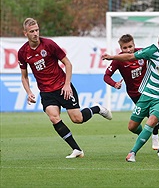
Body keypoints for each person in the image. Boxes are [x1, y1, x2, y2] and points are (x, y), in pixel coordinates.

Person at [18, 18, 112, 159]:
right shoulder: (22, 52)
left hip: (63, 86)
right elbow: (24, 76)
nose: (35, 33)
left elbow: (67, 64)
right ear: (25, 33)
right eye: (32, 31)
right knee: (54, 117)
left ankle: (97, 109)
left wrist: (67, 84)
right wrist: (29, 92)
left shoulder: (49, 45)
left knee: (77, 119)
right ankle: (77, 149)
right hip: (46, 91)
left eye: (37, 30)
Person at [102, 31, 159, 162]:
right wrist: (112, 57)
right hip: (145, 94)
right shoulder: (151, 51)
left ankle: (133, 153)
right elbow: (129, 57)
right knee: (132, 126)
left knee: (153, 120)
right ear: (158, 43)